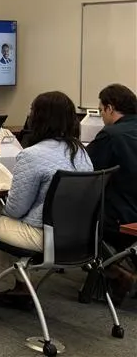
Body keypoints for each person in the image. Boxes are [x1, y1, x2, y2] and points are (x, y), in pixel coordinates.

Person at [0, 91, 92, 304]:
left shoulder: (32, 155)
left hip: (43, 236)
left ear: (40, 118)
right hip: (78, 237)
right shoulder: (81, 152)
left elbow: (14, 209)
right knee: (6, 227)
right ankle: (22, 288)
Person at [86, 84, 137, 302]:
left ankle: (117, 273)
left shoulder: (110, 135)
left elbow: (84, 171)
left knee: (75, 221)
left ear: (110, 108)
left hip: (122, 216)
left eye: (100, 111)